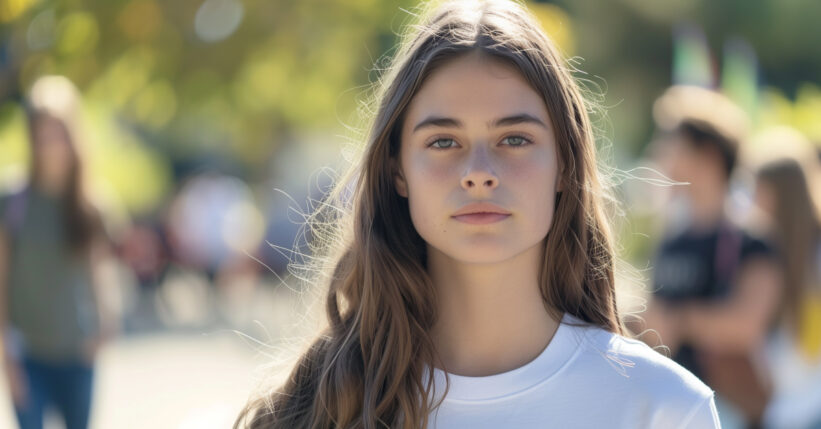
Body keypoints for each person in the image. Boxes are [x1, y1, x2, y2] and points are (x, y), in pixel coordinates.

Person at [235, 1, 720, 427]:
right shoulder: (314, 410)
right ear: (397, 170)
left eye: (515, 139)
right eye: (443, 141)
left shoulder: (664, 409)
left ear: (563, 165)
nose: (479, 173)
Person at [640, 85, 782, 428]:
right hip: (672, 405)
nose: (662, 155)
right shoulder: (670, 237)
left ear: (708, 156)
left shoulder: (752, 239)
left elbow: (746, 326)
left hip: (727, 410)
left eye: (673, 145)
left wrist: (679, 322)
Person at [0, 75, 116, 429]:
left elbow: (98, 272)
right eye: (43, 135)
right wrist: (8, 360)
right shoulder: (13, 201)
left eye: (59, 135)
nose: (52, 146)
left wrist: (103, 329)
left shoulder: (91, 205)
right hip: (29, 356)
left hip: (77, 354)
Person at [752, 156, 821, 428]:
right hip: (779, 413)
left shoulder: (815, 259)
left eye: (758, 191)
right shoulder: (761, 258)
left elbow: (809, 346)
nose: (751, 202)